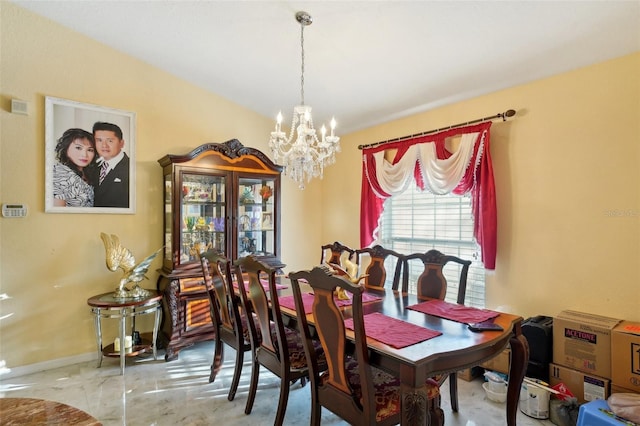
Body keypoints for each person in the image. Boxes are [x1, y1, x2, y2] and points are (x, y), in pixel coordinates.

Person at [53, 128, 97, 207]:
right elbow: (57, 213)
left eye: (90, 150)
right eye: (78, 148)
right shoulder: (58, 173)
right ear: (66, 149)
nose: (84, 154)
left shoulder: (90, 172)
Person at [92, 122, 130, 208]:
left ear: (122, 143)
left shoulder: (130, 168)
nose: (104, 145)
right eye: (99, 140)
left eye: (110, 141)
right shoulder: (94, 167)